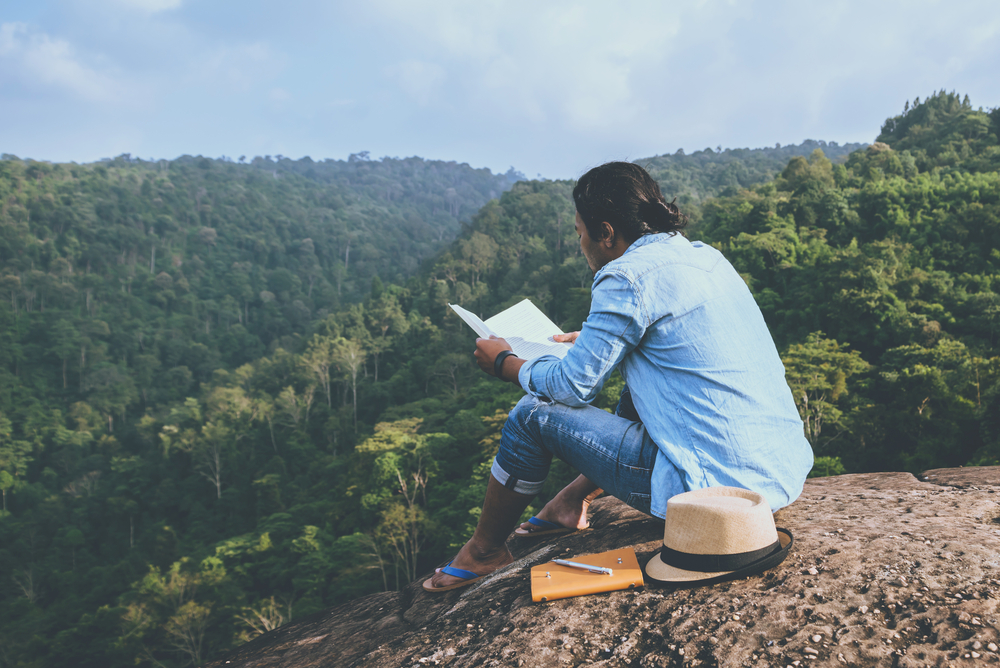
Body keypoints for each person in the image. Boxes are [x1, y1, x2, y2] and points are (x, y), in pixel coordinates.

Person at [424, 161, 813, 592]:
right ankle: (570, 501)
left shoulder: (624, 274)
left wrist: (507, 363)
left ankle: (483, 552)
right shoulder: (703, 256)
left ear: (606, 233)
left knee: (532, 414)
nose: (581, 243)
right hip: (775, 474)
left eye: (580, 233)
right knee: (642, 375)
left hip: (709, 493)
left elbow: (573, 387)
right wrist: (593, 343)